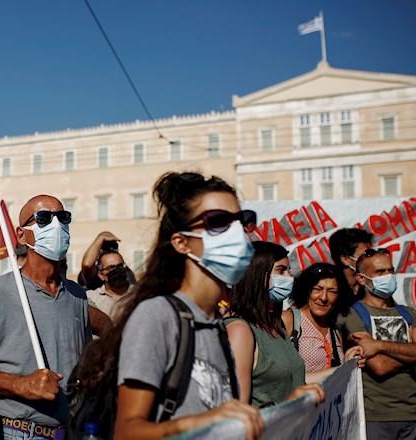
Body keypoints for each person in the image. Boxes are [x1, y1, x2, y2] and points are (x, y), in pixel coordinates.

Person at [75, 172, 272, 440]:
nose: (236, 233)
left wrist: (293, 411)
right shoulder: (157, 315)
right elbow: (127, 432)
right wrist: (197, 424)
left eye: (242, 220)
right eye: (218, 222)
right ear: (182, 241)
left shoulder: (215, 324)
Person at [0, 195, 110, 439]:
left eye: (63, 217)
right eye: (44, 218)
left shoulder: (76, 295)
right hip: (18, 431)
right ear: (22, 235)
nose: (57, 225)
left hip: (73, 431)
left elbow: (107, 328)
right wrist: (19, 385)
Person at [339, 248, 416, 440]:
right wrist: (414, 352)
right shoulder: (351, 315)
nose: (388, 276)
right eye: (380, 272)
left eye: (390, 270)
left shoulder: (409, 313)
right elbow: (379, 366)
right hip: (375, 417)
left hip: (415, 414)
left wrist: (380, 345)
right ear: (362, 279)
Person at [225, 241, 325, 408]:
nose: (289, 277)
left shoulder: (276, 324)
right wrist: (290, 402)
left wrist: (346, 367)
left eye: (289, 270)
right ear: (258, 274)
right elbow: (239, 411)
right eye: (281, 270)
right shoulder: (240, 330)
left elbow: (294, 378)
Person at [281, 263, 363, 374]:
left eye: (332, 291)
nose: (324, 297)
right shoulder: (289, 319)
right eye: (317, 289)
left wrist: (348, 361)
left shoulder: (334, 328)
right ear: (306, 290)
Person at [85, 248, 133, 321]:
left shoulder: (139, 293)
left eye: (120, 266)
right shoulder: (90, 298)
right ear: (101, 275)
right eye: (111, 268)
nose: (117, 270)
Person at [328, 227, 373, 294]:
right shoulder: (332, 291)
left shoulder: (372, 283)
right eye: (366, 254)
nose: (372, 258)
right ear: (346, 260)